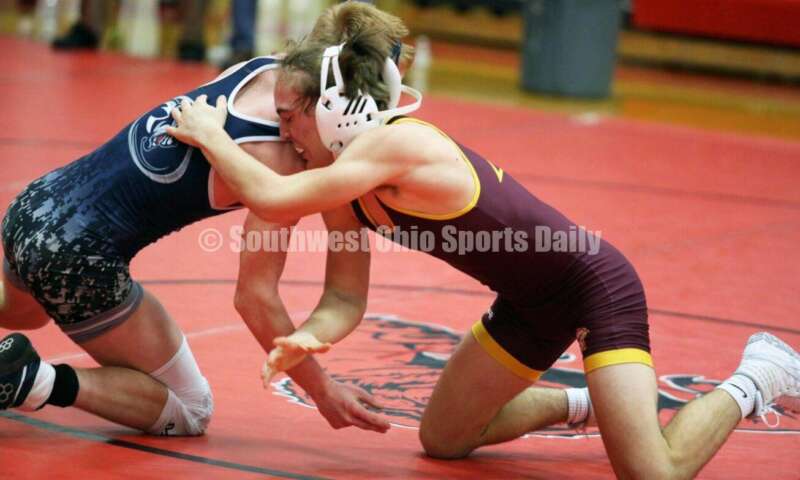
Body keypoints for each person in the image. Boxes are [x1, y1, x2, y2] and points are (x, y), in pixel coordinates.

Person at [166, 2, 800, 477]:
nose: (283, 133)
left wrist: (212, 134)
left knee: (653, 472)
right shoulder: (345, 190)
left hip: (594, 287)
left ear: (333, 109)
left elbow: (273, 197)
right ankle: (585, 404)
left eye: (288, 117)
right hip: (528, 304)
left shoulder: (397, 145)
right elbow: (344, 299)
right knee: (443, 439)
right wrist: (312, 334)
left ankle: (758, 376)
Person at [0, 10, 391, 436]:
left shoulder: (262, 69)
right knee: (190, 408)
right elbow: (255, 298)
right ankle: (32, 379)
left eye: (290, 118)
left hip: (33, 206)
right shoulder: (282, 167)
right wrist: (323, 390)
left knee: (29, 310)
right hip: (75, 256)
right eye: (284, 115)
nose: (285, 128)